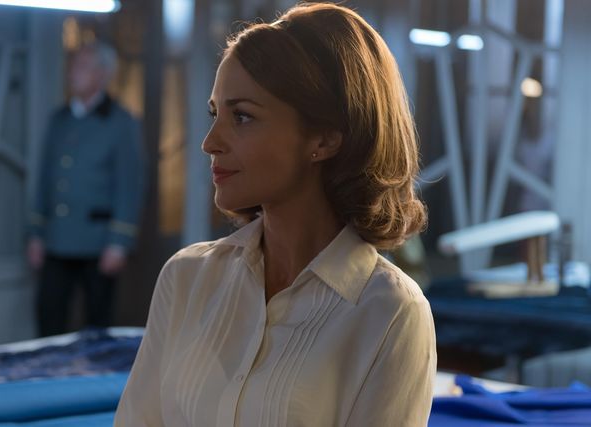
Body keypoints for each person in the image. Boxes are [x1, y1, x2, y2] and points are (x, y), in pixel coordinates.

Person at [115, 3, 435, 426]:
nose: (210, 142)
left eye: (242, 116)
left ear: (324, 139)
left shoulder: (390, 314)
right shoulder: (186, 278)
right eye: (215, 114)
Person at [27, 41, 143, 337]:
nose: (72, 73)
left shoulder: (120, 122)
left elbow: (129, 185)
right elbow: (45, 179)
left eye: (82, 66)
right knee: (49, 315)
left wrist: (119, 242)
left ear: (102, 74)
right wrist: (36, 233)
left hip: (98, 242)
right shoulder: (60, 120)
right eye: (73, 65)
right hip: (57, 239)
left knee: (97, 324)